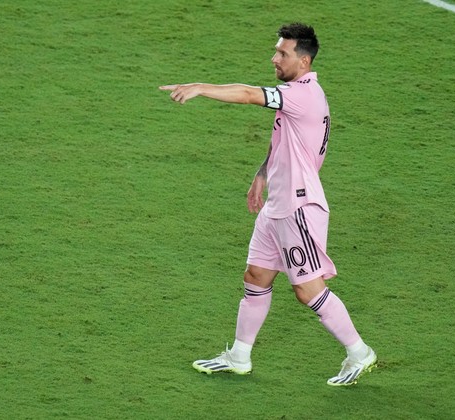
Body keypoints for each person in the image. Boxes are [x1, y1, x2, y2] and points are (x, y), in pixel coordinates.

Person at [159, 23, 376, 386]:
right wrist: (263, 173)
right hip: (278, 205)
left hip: (298, 207)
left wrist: (200, 87)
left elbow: (248, 94)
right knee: (256, 276)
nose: (275, 58)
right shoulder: (297, 94)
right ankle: (239, 356)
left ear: (303, 61)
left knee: (307, 290)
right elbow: (286, 141)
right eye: (276, 51)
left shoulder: (304, 94)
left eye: (282, 53)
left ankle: (359, 352)